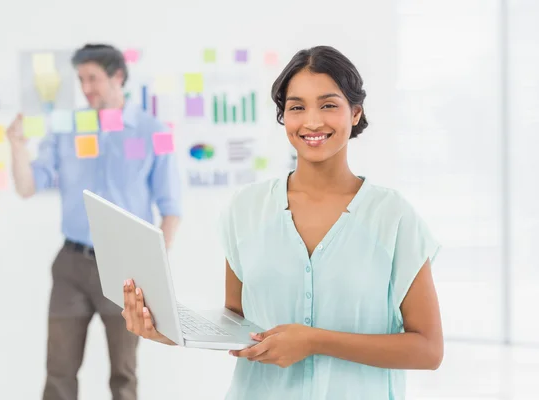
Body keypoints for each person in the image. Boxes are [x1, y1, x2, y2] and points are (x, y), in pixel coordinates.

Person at [120, 45, 443, 399]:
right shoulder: (247, 209)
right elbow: (236, 322)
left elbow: (428, 349)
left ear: (355, 113)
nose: (312, 121)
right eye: (297, 107)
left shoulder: (393, 217)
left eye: (328, 105)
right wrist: (166, 329)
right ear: (283, 117)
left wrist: (316, 341)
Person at [6, 43, 182, 400]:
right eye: (81, 79)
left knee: (123, 373)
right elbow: (28, 187)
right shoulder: (66, 128)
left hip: (127, 270)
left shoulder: (153, 131)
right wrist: (16, 146)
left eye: (93, 78)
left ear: (118, 76)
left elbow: (171, 209)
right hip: (71, 266)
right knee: (58, 372)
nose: (86, 88)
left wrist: (154, 270)